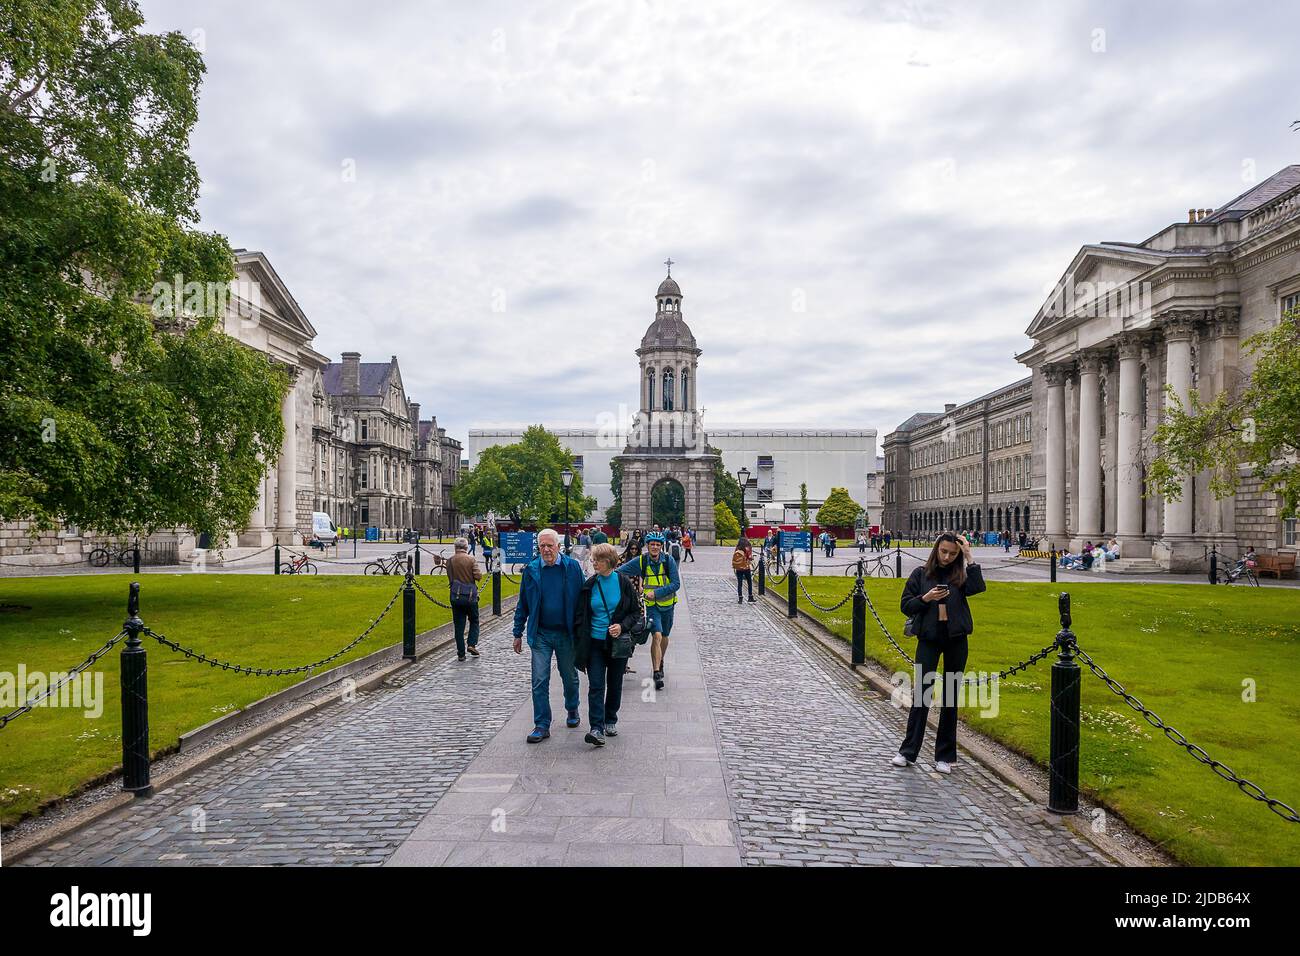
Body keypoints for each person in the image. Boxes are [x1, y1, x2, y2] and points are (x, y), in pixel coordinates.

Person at [892, 532, 985, 774]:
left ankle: (945, 755)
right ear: (936, 550)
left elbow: (978, 587)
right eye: (944, 551)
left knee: (950, 697)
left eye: (952, 553)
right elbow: (905, 605)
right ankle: (908, 751)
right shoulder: (921, 575)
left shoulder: (961, 575)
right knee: (922, 695)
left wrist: (968, 555)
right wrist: (926, 598)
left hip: (956, 640)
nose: (947, 557)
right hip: (929, 639)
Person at [512, 528, 585, 743]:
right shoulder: (532, 570)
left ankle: (572, 708)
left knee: (569, 677)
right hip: (541, 633)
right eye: (542, 546)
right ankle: (542, 724)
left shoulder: (572, 567)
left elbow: (582, 600)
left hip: (566, 633)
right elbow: (522, 604)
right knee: (539, 680)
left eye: (549, 546)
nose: (545, 550)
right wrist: (518, 632)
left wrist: (583, 632)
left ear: (558, 547)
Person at [573, 543, 643, 746]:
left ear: (609, 561)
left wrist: (622, 626)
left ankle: (610, 718)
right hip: (595, 642)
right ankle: (596, 727)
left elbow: (635, 612)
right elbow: (581, 615)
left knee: (614, 684)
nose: (594, 563)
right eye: (593, 559)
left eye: (598, 560)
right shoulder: (590, 584)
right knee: (595, 685)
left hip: (617, 643)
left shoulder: (623, 583)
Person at [617, 532, 680, 690]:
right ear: (647, 545)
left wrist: (657, 593)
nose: (655, 547)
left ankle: (661, 660)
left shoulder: (669, 561)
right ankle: (657, 672)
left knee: (665, 636)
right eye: (652, 544)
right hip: (652, 606)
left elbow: (676, 584)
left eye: (658, 545)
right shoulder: (641, 561)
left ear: (661, 546)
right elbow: (620, 571)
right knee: (657, 635)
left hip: (668, 605)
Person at [447, 537, 483, 660]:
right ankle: (472, 644)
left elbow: (450, 578)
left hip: (456, 596)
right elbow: (478, 576)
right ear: (466, 547)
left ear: (455, 547)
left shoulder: (450, 560)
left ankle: (461, 653)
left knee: (459, 625)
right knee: (474, 620)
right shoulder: (471, 559)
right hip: (470, 596)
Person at [732, 538, 755, 603]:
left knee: (739, 583)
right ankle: (750, 596)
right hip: (746, 567)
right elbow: (749, 557)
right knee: (749, 582)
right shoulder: (747, 548)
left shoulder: (737, 548)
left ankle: (740, 598)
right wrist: (751, 558)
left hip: (738, 568)